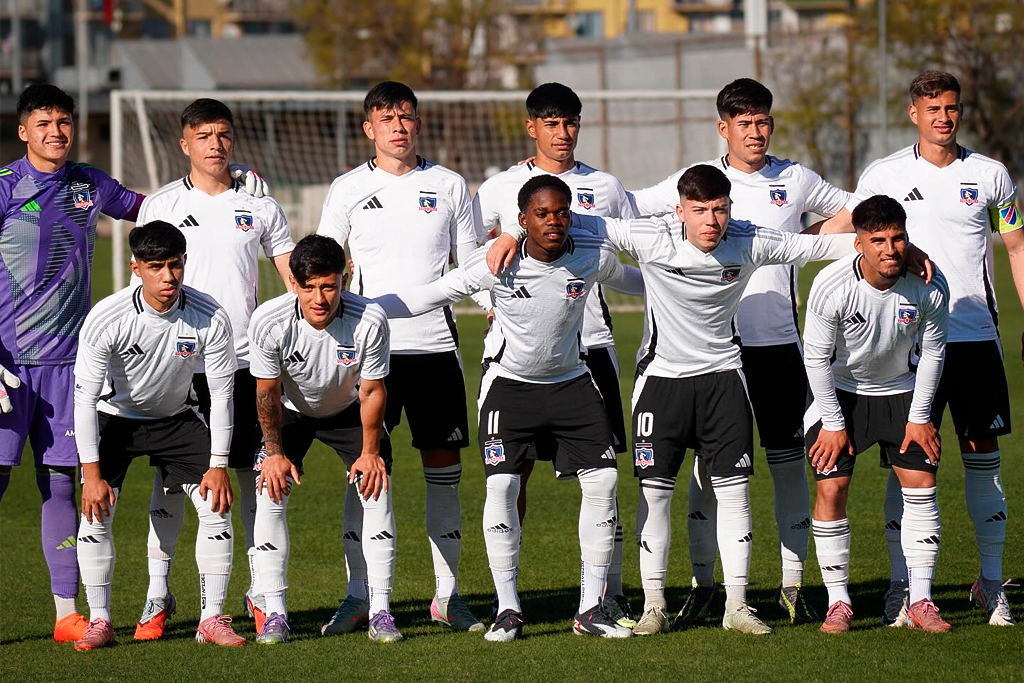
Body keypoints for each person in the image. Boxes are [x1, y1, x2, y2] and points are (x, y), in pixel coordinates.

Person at [487, 165, 932, 636]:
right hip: (661, 382)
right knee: (655, 495)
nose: (711, 221)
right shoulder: (649, 236)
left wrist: (896, 251)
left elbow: (814, 247)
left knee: (734, 492)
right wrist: (512, 232)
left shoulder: (748, 240)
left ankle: (737, 605)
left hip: (723, 379)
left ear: (730, 210)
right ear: (679, 211)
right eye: (699, 210)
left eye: (720, 209)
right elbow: (567, 218)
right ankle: (654, 604)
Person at [375, 175, 643, 641]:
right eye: (542, 214)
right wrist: (356, 305)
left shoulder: (591, 256)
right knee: (502, 485)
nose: (554, 221)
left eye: (562, 212)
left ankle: (590, 609)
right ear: (523, 220)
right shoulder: (496, 262)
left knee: (604, 480)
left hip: (572, 384)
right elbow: (428, 296)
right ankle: (508, 609)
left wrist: (693, 275)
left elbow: (636, 281)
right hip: (509, 388)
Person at [628, 78, 853, 628]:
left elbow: (852, 213)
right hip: (713, 351)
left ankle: (791, 586)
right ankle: (706, 586)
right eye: (745, 123)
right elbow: (622, 206)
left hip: (777, 346)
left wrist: (805, 242)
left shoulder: (795, 178)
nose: (756, 132)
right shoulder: (697, 181)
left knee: (788, 466)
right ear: (723, 127)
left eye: (763, 121)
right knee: (709, 474)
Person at [849, 70, 1021, 627]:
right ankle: (901, 588)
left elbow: (1016, 246)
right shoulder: (885, 174)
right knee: (907, 464)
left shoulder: (991, 175)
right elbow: (852, 233)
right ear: (913, 114)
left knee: (982, 459)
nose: (944, 118)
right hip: (908, 342)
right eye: (933, 109)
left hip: (974, 339)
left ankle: (990, 584)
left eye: (951, 108)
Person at [316, 81, 483, 633]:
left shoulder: (449, 185)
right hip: (369, 352)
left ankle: (447, 596)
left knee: (444, 471)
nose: (398, 126)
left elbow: (471, 265)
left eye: (406, 116)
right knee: (365, 471)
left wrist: (491, 304)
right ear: (369, 128)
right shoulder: (346, 188)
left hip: (435, 347)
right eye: (387, 118)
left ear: (418, 123)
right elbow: (323, 261)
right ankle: (358, 595)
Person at [473, 82, 639, 627]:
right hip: (520, 357)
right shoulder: (499, 187)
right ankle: (507, 598)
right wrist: (493, 303)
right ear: (531, 127)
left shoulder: (606, 186)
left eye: (571, 123)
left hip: (592, 349)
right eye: (551, 123)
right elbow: (472, 251)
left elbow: (634, 243)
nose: (563, 133)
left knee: (604, 475)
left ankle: (608, 593)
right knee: (510, 476)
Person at [133, 98, 293, 640]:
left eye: (223, 134)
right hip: (178, 365)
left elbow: (291, 278)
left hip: (245, 361)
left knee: (253, 479)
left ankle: (261, 592)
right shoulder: (161, 203)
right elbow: (141, 285)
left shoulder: (259, 204)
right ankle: (158, 593)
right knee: (173, 482)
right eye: (203, 136)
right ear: (185, 144)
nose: (215, 145)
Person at [0, 84, 144, 642]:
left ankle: (66, 615)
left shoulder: (90, 184)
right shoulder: (6, 187)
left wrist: (220, 184)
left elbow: (151, 210)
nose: (56, 132)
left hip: (70, 367)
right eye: (43, 123)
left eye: (63, 121)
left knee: (62, 486)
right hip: (8, 366)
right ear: (23, 131)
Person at [71, 221, 242, 650]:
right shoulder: (107, 317)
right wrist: (91, 474)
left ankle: (211, 618)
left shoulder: (209, 315)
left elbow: (222, 394)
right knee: (95, 514)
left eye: (175, 264)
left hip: (176, 419)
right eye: (156, 267)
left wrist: (219, 465)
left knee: (216, 505)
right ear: (136, 268)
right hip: (116, 421)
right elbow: (84, 399)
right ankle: (100, 620)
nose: (168, 276)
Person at [803, 195, 950, 634]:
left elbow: (934, 353)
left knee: (921, 484)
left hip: (901, 393)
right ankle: (838, 602)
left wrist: (919, 417)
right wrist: (833, 423)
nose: (890, 249)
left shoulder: (929, 285)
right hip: (840, 395)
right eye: (878, 240)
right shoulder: (832, 285)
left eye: (898, 238)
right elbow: (815, 359)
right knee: (832, 488)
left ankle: (920, 599)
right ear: (859, 244)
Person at [248, 235, 398, 644]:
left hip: (349, 410)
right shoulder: (269, 321)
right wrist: (274, 453)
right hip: (291, 411)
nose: (319, 298)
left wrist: (370, 452)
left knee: (376, 489)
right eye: (309, 287)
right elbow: (266, 393)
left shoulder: (370, 319)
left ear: (344, 279)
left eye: (329, 286)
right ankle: (274, 613)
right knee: (269, 490)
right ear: (293, 283)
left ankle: (380, 611)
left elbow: (373, 390)